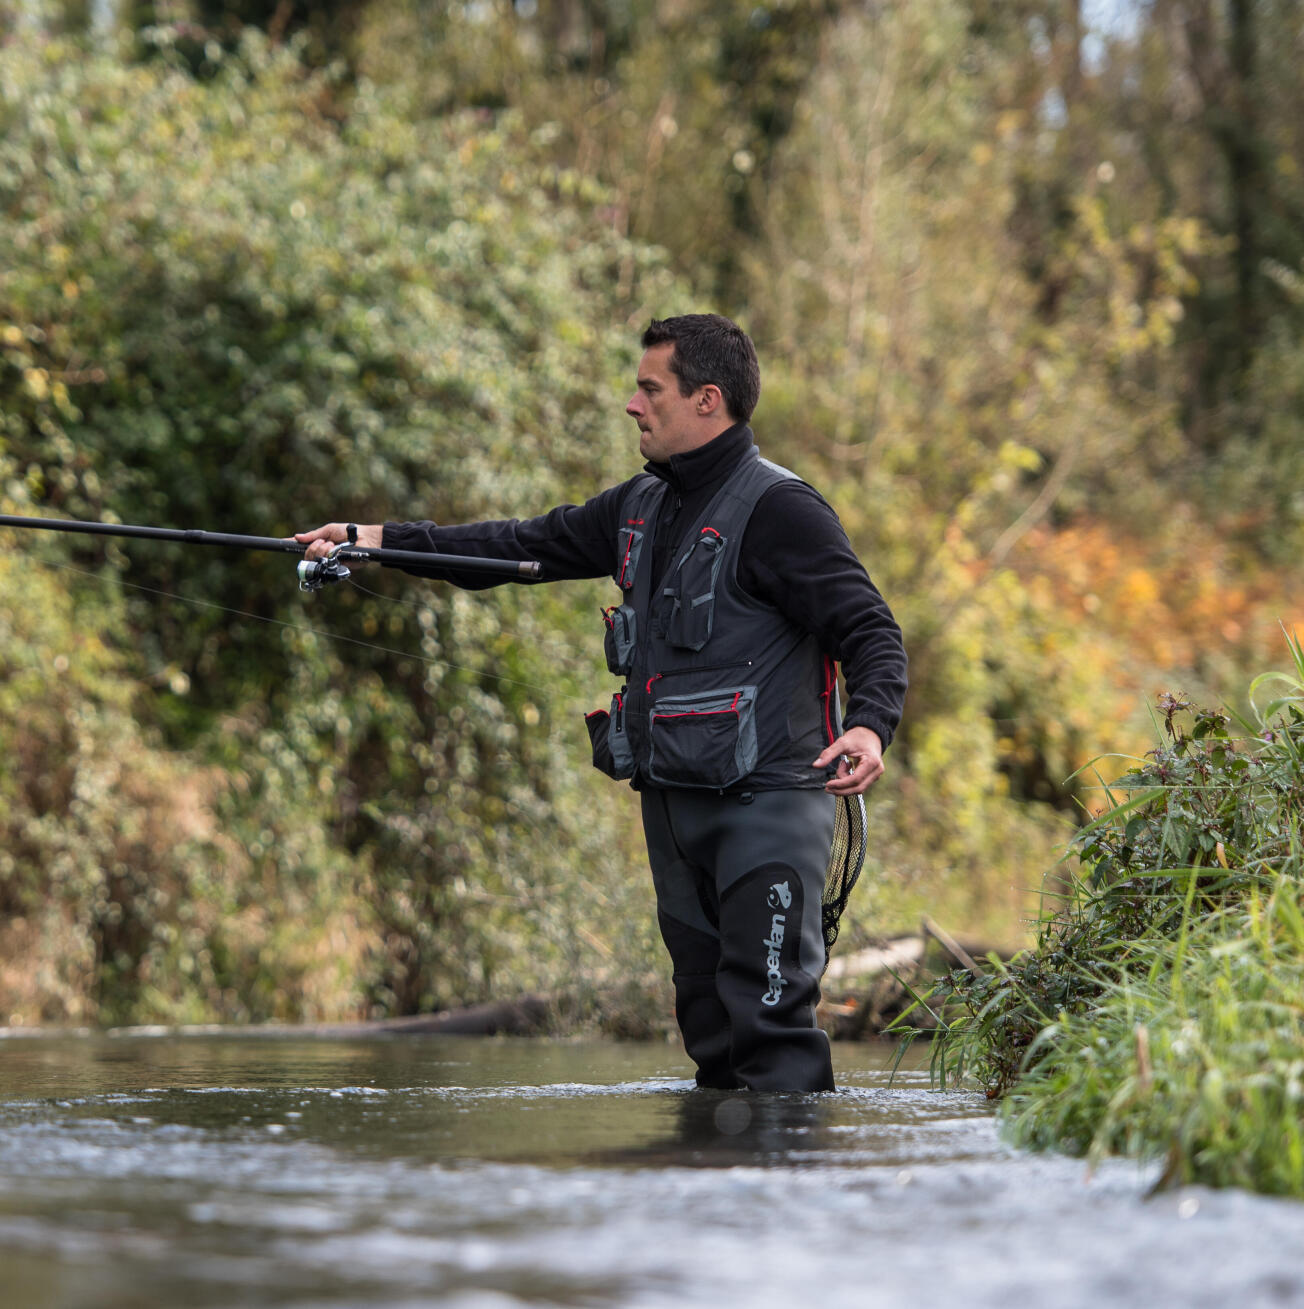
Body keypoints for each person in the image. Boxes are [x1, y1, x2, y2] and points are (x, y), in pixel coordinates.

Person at [297, 313, 907, 1092]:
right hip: (676, 810)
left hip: (774, 807)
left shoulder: (783, 511)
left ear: (707, 400)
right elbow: (516, 545)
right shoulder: (638, 506)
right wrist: (369, 537)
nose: (633, 404)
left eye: (650, 388)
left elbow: (871, 630)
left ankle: (781, 1206)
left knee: (771, 1028)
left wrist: (870, 722)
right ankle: (708, 1199)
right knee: (711, 1036)